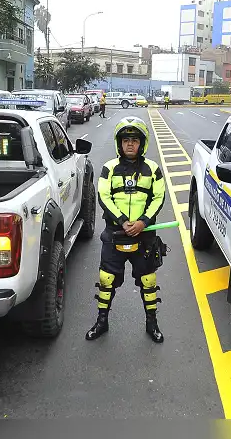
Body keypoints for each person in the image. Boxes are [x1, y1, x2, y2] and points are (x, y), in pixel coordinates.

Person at [87, 116, 167, 344]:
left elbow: (158, 197)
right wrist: (123, 221)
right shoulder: (108, 168)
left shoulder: (153, 169)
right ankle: (101, 322)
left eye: (134, 140)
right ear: (119, 143)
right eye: (125, 140)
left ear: (142, 143)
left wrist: (142, 221)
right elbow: (103, 196)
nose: (130, 144)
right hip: (115, 234)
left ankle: (152, 323)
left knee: (148, 280)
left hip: (145, 236)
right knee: (106, 278)